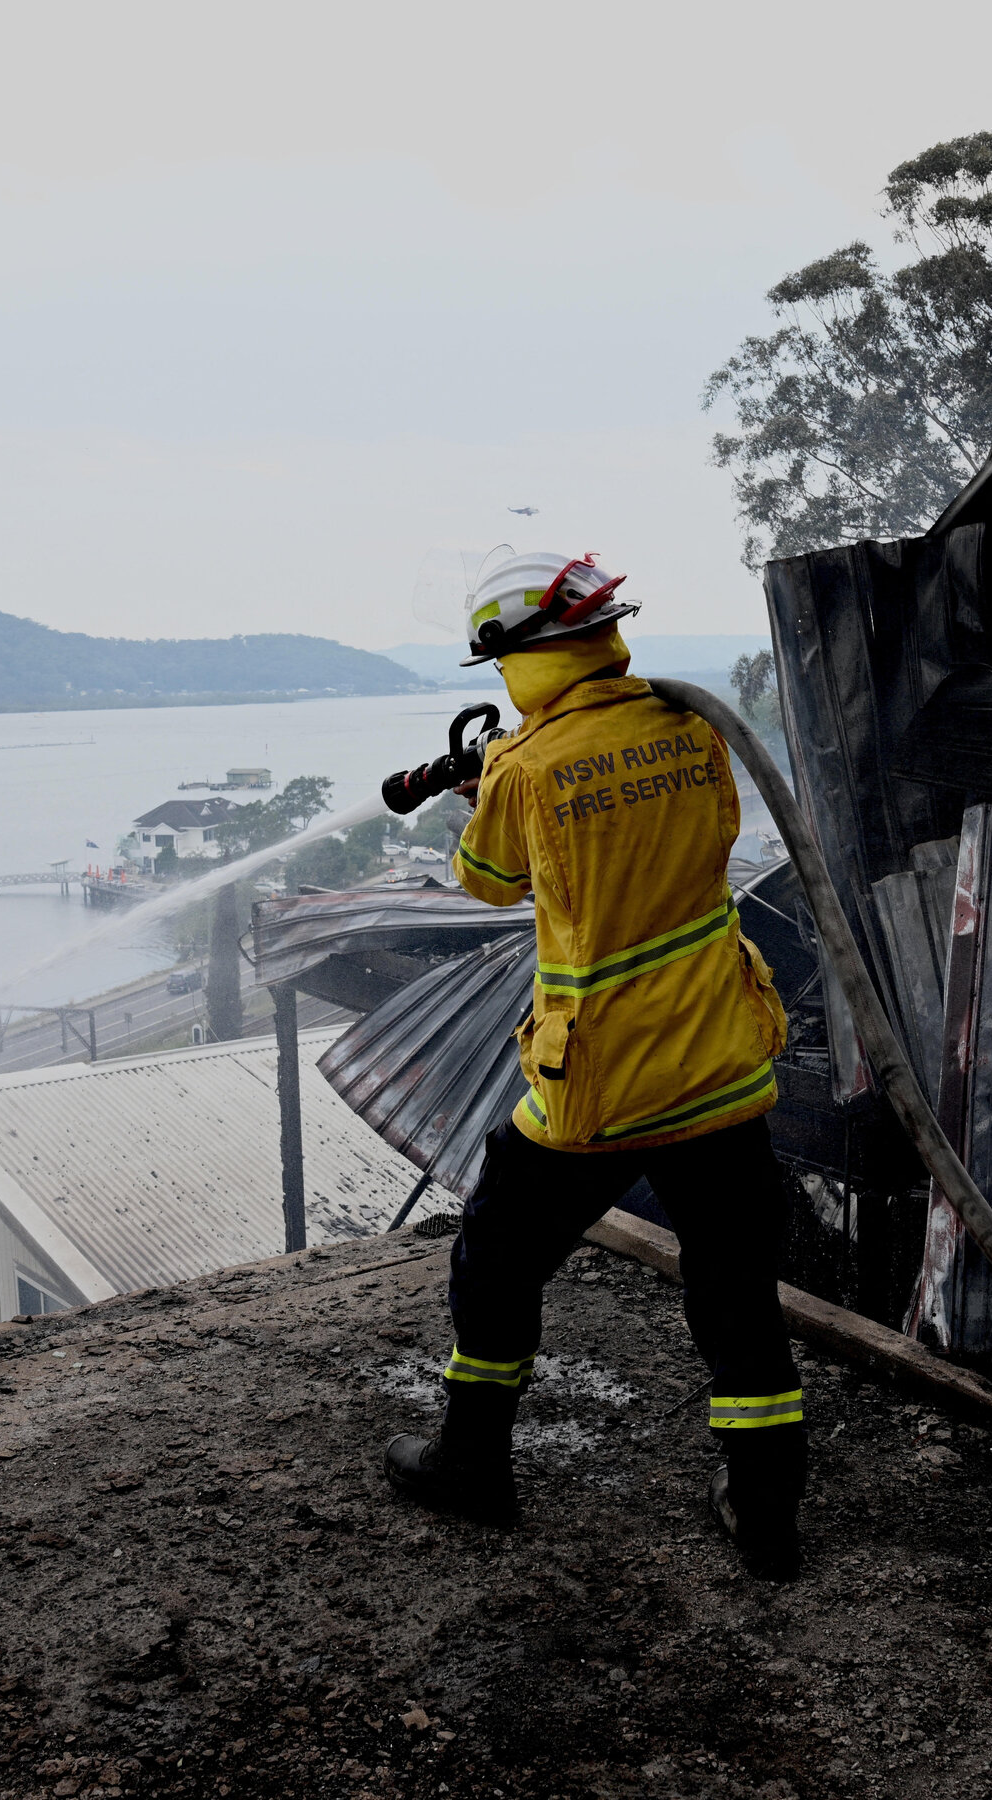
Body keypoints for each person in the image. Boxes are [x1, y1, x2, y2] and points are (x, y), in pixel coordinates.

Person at [383, 550, 805, 1576]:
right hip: (719, 1059)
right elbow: (703, 836)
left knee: (495, 1255)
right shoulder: (691, 725)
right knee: (738, 1288)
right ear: (600, 631)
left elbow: (487, 884)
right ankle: (769, 1518)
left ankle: (472, 1461)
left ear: (514, 656)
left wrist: (485, 788)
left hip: (603, 1085)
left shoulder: (526, 768)